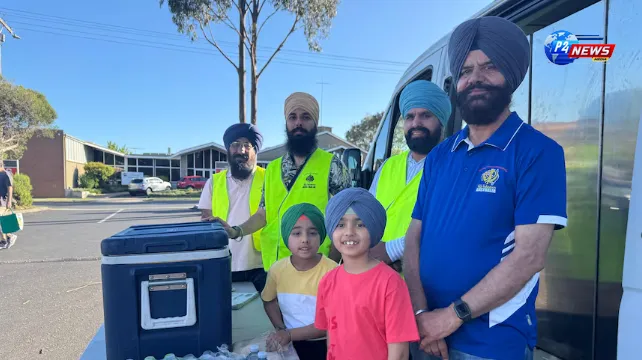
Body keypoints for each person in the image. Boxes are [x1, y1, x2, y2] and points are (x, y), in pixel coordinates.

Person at [404, 16, 567, 360]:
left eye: (488, 67)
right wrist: (421, 317)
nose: (474, 78)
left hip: (491, 344)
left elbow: (529, 257)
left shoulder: (538, 152)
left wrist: (449, 318)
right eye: (464, 71)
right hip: (424, 334)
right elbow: (414, 237)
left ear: (510, 75)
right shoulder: (439, 157)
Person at [214, 92, 350, 271]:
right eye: (292, 117)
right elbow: (262, 215)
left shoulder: (332, 165)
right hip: (276, 269)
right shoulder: (273, 169)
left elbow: (347, 219)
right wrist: (236, 231)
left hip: (316, 269)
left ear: (315, 123)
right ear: (286, 123)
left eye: (305, 117)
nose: (298, 123)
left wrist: (332, 265)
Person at [315, 187, 419, 360]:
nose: (349, 232)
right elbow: (332, 336)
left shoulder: (390, 283)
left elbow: (399, 351)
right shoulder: (328, 281)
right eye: (341, 225)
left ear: (373, 229)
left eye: (360, 224)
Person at [368, 80, 452, 267]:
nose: (416, 123)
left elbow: (448, 227)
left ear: (441, 120)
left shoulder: (453, 166)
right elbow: (367, 216)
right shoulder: (389, 166)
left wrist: (391, 251)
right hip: (380, 280)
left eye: (425, 115)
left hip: (425, 283)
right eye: (410, 117)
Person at [261, 203, 337, 360]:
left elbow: (331, 321)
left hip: (327, 346)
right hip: (291, 345)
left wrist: (288, 334)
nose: (305, 240)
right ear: (285, 235)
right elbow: (269, 301)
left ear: (322, 235)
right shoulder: (277, 269)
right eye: (296, 233)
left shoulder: (333, 272)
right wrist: (281, 328)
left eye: (313, 233)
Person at [199, 123, 267, 292]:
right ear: (228, 149)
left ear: (255, 150)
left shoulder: (269, 178)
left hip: (263, 265)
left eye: (247, 145)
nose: (241, 150)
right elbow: (206, 219)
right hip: (224, 262)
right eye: (235, 145)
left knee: (264, 316)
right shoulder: (214, 182)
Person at [0, 162, 16, 249]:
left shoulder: (6, 174)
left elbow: (10, 187)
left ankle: (7, 238)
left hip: (3, 202)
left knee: (1, 222)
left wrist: (9, 201)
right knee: (2, 222)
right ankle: (6, 239)